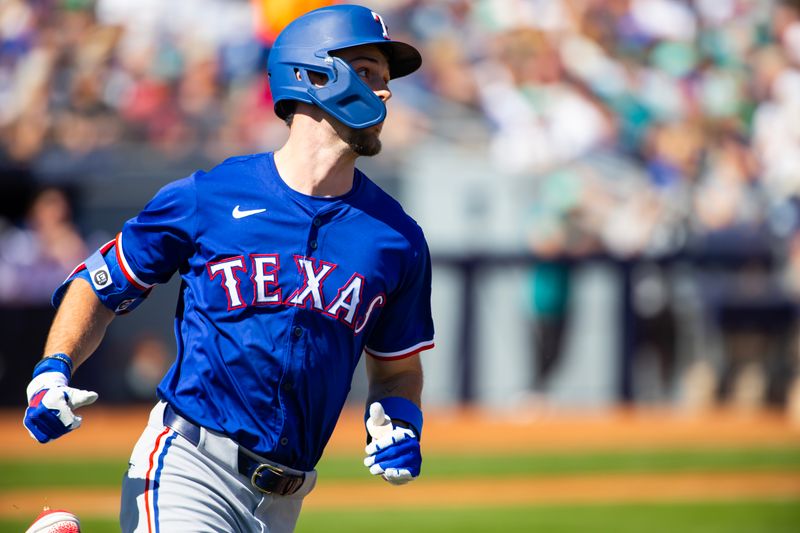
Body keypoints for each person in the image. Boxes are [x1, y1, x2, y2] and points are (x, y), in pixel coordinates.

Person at [22, 5, 435, 532]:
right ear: (312, 75)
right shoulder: (210, 197)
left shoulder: (397, 238)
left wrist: (401, 421)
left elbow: (397, 367)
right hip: (190, 466)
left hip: (287, 499)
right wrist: (52, 368)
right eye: (369, 72)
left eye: (386, 78)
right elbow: (100, 283)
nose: (385, 92)